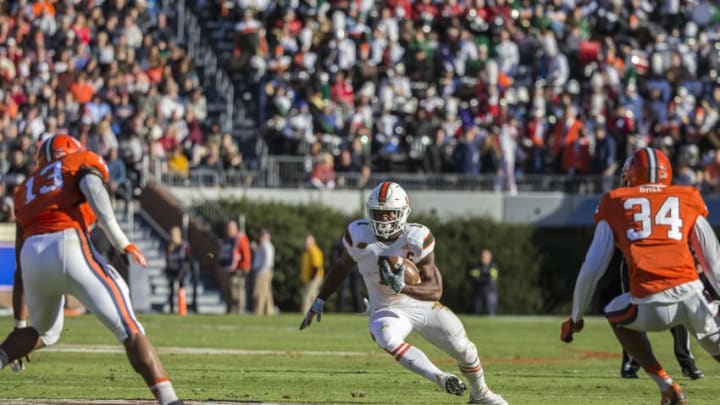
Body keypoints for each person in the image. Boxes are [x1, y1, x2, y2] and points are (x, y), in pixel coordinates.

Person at [0, 135, 182, 404]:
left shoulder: (26, 189)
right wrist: (122, 242)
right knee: (130, 330)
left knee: (44, 332)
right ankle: (170, 400)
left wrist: (19, 327)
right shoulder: (77, 163)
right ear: (72, 151)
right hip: (68, 242)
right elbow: (92, 186)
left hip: (32, 257)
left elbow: (19, 273)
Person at [300, 181, 508, 405]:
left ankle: (481, 393)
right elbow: (341, 267)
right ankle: (440, 377)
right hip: (385, 307)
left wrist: (403, 287)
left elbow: (435, 289)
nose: (383, 219)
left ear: (403, 213)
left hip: (421, 303)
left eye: (389, 213)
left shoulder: (417, 238)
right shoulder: (358, 235)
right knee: (386, 336)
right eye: (378, 213)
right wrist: (320, 299)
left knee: (463, 348)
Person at [561, 147, 720, 405]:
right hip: (692, 295)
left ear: (631, 174)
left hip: (650, 302)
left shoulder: (616, 201)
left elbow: (592, 269)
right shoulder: (687, 196)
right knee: (715, 345)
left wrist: (576, 317)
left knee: (615, 312)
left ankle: (666, 384)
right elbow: (713, 261)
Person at [218, 219, 252, 314]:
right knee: (228, 292)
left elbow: (246, 254)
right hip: (228, 270)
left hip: (238, 270)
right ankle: (230, 310)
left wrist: (245, 267)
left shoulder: (240, 239)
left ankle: (239, 311)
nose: (228, 230)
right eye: (227, 228)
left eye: (230, 228)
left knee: (237, 292)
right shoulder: (226, 240)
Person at [165, 226, 191, 315]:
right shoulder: (169, 246)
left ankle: (182, 309)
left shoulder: (184, 245)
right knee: (171, 291)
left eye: (174, 234)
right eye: (171, 234)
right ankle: (172, 309)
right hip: (172, 271)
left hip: (181, 271)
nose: (172, 236)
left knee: (181, 290)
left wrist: (182, 272)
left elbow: (186, 260)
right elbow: (168, 260)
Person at [467, 249, 499, 316]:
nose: (484, 258)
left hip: (490, 291)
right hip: (479, 291)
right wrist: (485, 277)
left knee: (491, 310)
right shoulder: (477, 266)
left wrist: (481, 278)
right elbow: (474, 278)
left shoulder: (493, 266)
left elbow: (492, 279)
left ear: (490, 257)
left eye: (486, 257)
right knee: (477, 310)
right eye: (483, 256)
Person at [252, 229, 275, 315]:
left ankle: (259, 310)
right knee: (266, 292)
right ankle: (269, 310)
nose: (262, 237)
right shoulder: (263, 246)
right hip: (262, 271)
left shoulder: (267, 246)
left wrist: (262, 272)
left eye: (264, 236)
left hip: (263, 272)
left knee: (260, 292)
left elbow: (267, 261)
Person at [300, 233, 324, 314]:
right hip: (309, 277)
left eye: (308, 242)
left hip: (314, 277)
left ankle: (305, 313)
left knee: (307, 296)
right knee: (313, 296)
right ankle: (317, 312)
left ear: (313, 242)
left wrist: (311, 277)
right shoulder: (306, 252)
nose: (306, 243)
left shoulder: (314, 251)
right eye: (306, 241)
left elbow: (316, 266)